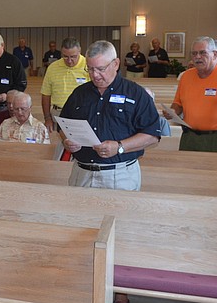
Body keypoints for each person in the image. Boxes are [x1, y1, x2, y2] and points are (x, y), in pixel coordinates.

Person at [61, 40, 161, 192]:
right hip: (82, 173)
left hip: (120, 175)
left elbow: (152, 135)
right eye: (90, 69)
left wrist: (120, 147)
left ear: (116, 64)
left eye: (101, 69)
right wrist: (67, 141)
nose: (95, 75)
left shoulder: (136, 93)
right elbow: (63, 125)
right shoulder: (79, 93)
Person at [40, 37, 87, 133]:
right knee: (58, 147)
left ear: (80, 51)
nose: (69, 60)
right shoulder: (52, 68)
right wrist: (47, 118)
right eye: (65, 56)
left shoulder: (89, 65)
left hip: (82, 115)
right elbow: (46, 94)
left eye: (73, 57)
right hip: (58, 115)